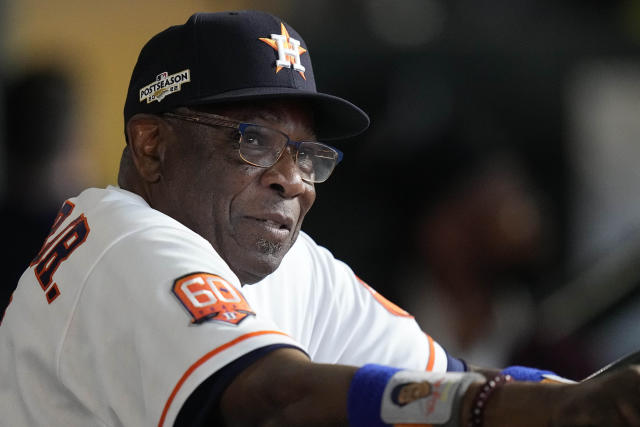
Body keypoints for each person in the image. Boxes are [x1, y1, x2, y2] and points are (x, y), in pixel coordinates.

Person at [1, 10, 639, 427]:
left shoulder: (279, 258)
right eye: (251, 140)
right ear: (152, 146)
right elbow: (278, 401)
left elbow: (447, 383)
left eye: (306, 155)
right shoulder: (126, 240)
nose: (291, 180)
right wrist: (558, 407)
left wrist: (584, 396)